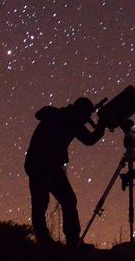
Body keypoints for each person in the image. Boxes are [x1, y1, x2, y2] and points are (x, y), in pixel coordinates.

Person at [24, 97, 104, 247]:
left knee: (44, 203)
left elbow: (40, 114)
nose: (87, 119)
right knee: (59, 201)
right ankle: (67, 241)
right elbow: (89, 139)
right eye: (86, 115)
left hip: (39, 163)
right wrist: (102, 125)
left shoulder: (59, 115)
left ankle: (47, 241)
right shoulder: (71, 121)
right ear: (81, 112)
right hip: (43, 164)